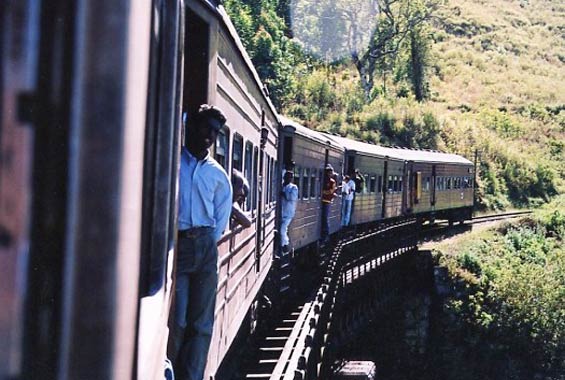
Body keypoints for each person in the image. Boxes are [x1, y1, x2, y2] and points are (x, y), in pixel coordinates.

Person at [172, 104, 233, 380]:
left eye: (215, 132)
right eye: (206, 128)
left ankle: (192, 377)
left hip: (206, 246)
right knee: (179, 319)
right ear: (193, 126)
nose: (209, 135)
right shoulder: (175, 164)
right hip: (180, 244)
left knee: (202, 322)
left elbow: (221, 216)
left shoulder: (217, 174)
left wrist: (207, 239)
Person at [280, 170, 298, 253]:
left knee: (283, 229)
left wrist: (284, 194)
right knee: (282, 229)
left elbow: (292, 198)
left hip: (288, 212)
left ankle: (285, 245)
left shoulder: (294, 187)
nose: (288, 178)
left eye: (290, 177)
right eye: (287, 177)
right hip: (281, 211)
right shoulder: (281, 186)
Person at [321, 164, 337, 243]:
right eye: (328, 172)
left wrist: (322, 192)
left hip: (327, 201)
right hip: (322, 200)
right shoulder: (323, 180)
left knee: (325, 217)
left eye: (330, 172)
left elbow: (331, 191)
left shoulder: (332, 182)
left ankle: (326, 233)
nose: (329, 174)